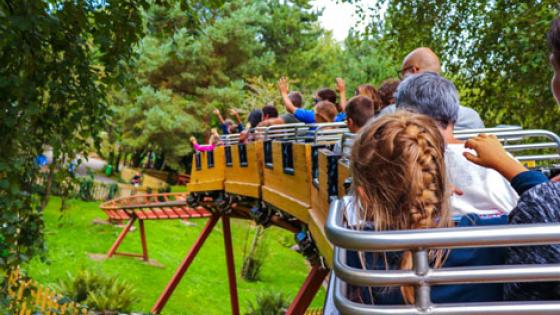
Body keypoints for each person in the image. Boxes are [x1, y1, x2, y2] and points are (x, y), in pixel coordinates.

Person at [340, 112, 559, 306]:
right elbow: (549, 212)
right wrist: (511, 168)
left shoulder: (359, 251)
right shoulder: (488, 237)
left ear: (364, 197)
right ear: (439, 184)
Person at [379, 47, 484, 129]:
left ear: (414, 70)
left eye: (402, 73)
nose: (401, 80)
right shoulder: (471, 118)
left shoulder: (390, 115)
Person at [277, 77, 345, 124]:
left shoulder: (313, 116)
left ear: (325, 102)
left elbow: (291, 108)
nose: (314, 103)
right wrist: (342, 91)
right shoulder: (336, 119)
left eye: (316, 100)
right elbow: (344, 110)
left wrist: (283, 92)